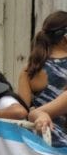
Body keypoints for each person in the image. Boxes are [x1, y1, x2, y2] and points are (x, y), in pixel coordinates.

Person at [18, 11, 67, 147]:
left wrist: (36, 113)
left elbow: (22, 112)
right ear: (65, 37)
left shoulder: (29, 69)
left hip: (39, 142)